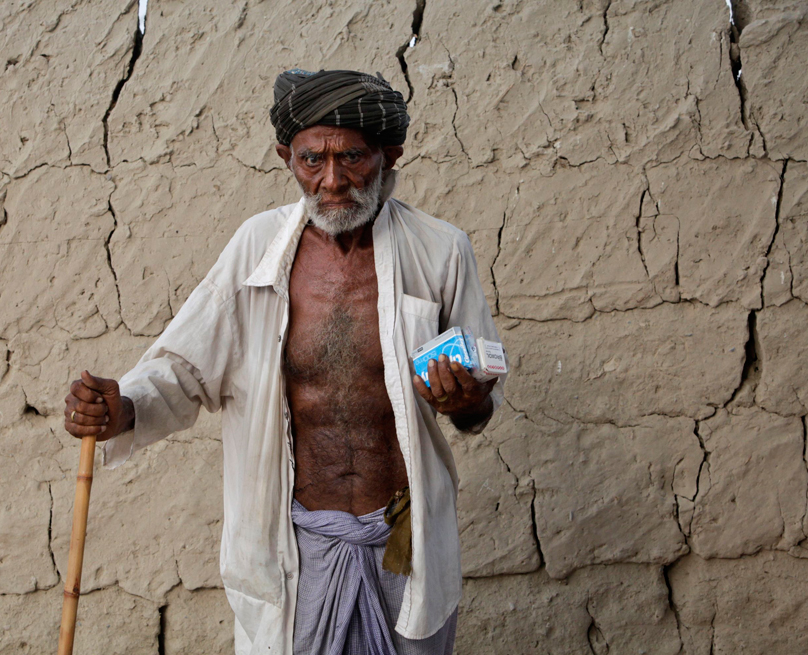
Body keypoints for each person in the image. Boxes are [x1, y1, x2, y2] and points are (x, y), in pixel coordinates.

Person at [63, 69, 505, 655]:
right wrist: (120, 409)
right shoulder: (256, 247)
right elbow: (182, 371)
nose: (331, 181)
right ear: (285, 157)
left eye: (352, 158)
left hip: (404, 543)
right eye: (310, 161)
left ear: (389, 154)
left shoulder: (442, 250)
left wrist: (468, 400)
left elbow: (480, 406)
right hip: (293, 550)